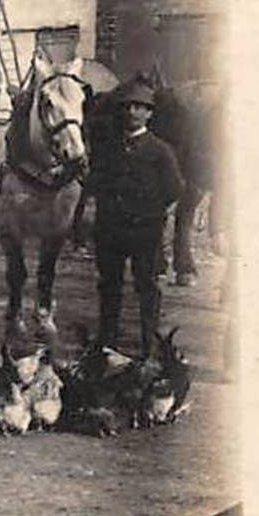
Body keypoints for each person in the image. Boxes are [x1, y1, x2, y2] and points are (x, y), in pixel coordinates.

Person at [88, 80, 184, 357]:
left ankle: (149, 343)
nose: (133, 113)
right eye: (129, 107)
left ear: (150, 114)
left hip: (145, 231)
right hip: (110, 230)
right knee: (109, 286)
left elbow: (174, 189)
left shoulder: (160, 150)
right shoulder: (109, 148)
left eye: (140, 108)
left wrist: (149, 211)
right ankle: (106, 342)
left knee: (147, 287)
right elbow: (96, 180)